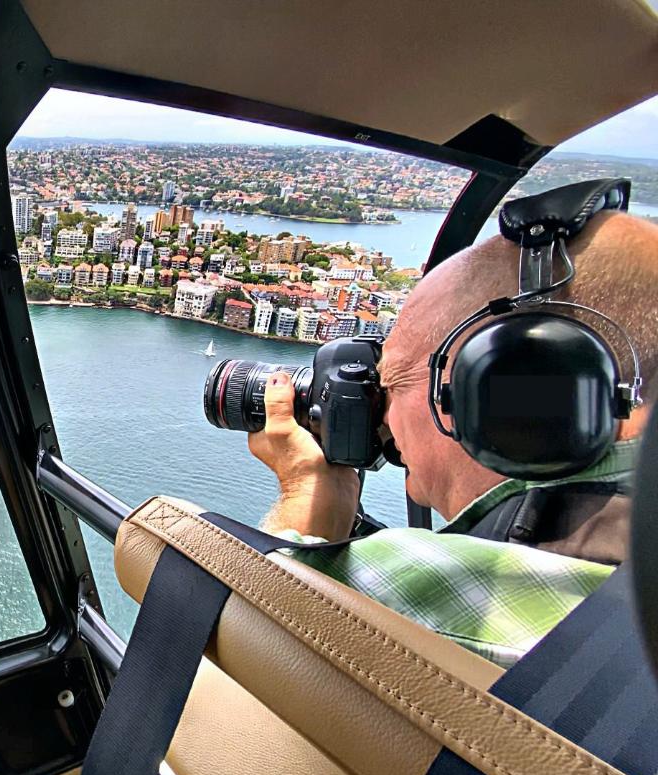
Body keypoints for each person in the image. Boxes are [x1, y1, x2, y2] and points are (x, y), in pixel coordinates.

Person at [247, 209, 658, 666]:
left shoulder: (425, 585)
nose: (382, 416)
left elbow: (231, 661)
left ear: (503, 396)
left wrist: (307, 489)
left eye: (393, 382)